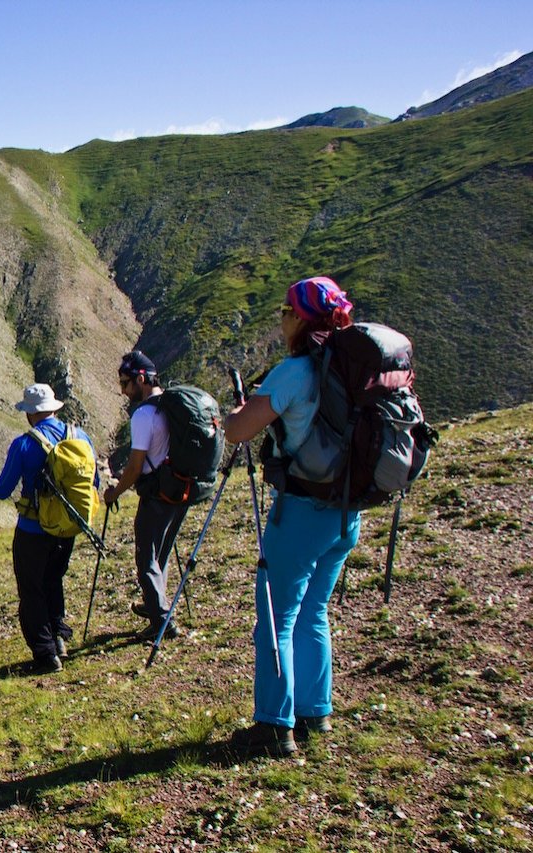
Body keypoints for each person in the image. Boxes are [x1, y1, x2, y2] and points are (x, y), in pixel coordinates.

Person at [223, 275, 361, 758]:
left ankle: (274, 727)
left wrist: (236, 412)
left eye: (285, 311)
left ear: (302, 319)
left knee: (276, 618)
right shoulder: (350, 368)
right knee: (314, 612)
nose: (280, 319)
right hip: (346, 511)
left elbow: (239, 431)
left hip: (301, 510)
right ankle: (315, 711)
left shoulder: (295, 371)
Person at [0, 383, 97, 674]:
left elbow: (2, 490)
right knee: (54, 580)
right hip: (67, 528)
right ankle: (59, 637)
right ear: (54, 408)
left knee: (31, 589)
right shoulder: (80, 437)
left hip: (33, 531)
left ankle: (45, 652)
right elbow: (93, 483)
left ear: (29, 414)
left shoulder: (24, 444)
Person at [100, 351, 188, 642]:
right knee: (161, 554)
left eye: (126, 383)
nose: (123, 391)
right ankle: (156, 607)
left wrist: (114, 492)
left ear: (141, 379)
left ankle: (162, 621)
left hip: (156, 494)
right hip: (180, 489)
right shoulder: (172, 407)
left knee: (146, 558)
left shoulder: (144, 415)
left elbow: (136, 466)